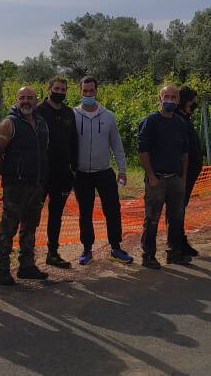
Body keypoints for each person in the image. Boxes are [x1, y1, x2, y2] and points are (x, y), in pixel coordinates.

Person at [0, 86, 51, 284]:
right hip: (15, 186)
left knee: (30, 226)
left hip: (36, 184)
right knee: (8, 228)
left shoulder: (41, 123)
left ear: (36, 100)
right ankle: (2, 270)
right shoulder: (9, 123)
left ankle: (27, 266)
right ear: (17, 100)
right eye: (22, 97)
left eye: (30, 98)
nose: (26, 101)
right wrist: (8, 174)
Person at [73, 76, 133, 265]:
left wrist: (122, 169)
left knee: (113, 210)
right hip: (81, 173)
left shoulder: (108, 116)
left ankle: (116, 247)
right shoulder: (73, 114)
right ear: (80, 92)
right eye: (85, 91)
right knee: (85, 212)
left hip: (104, 172)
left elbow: (117, 145)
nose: (88, 94)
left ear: (96, 91)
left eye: (91, 91)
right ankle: (87, 249)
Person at [137, 85, 189, 269]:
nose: (170, 100)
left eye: (174, 97)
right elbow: (142, 150)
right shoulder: (151, 121)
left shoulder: (180, 122)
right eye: (166, 96)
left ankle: (174, 253)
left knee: (176, 217)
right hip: (157, 178)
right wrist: (150, 175)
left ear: (178, 100)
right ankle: (148, 256)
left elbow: (184, 153)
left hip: (176, 178)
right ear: (160, 98)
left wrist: (183, 177)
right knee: (152, 218)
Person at [34, 76, 79, 269]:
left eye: (63, 89)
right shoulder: (38, 111)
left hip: (62, 173)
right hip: (40, 173)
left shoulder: (69, 113)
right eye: (57, 89)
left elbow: (74, 141)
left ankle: (52, 253)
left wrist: (74, 168)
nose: (59, 92)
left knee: (56, 215)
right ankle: (26, 257)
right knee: (31, 214)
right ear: (49, 88)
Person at [174, 86, 203, 257]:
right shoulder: (178, 120)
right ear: (186, 101)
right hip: (182, 173)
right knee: (177, 208)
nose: (194, 103)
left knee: (180, 207)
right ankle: (178, 243)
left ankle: (179, 240)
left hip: (189, 172)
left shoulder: (185, 118)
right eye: (193, 100)